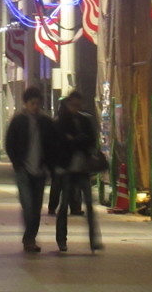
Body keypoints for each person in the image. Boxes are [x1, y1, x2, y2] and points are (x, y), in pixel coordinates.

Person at [5, 86, 55, 252]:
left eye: (37, 103)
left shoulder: (46, 123)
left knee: (36, 207)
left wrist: (49, 165)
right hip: (23, 170)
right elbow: (9, 144)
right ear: (26, 103)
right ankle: (29, 239)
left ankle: (30, 238)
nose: (35, 106)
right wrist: (17, 163)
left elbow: (52, 145)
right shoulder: (18, 121)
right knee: (28, 205)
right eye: (32, 103)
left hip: (40, 170)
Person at [52, 90, 102, 252]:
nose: (76, 108)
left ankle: (94, 239)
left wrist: (74, 140)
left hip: (82, 168)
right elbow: (60, 144)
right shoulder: (61, 122)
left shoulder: (85, 120)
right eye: (73, 105)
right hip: (67, 168)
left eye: (78, 105)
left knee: (89, 204)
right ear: (67, 105)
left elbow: (91, 141)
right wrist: (75, 141)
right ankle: (61, 239)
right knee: (64, 203)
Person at [47, 97, 82, 216]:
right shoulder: (66, 121)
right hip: (63, 157)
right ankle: (73, 207)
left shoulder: (58, 120)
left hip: (63, 158)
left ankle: (55, 207)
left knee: (60, 184)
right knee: (67, 184)